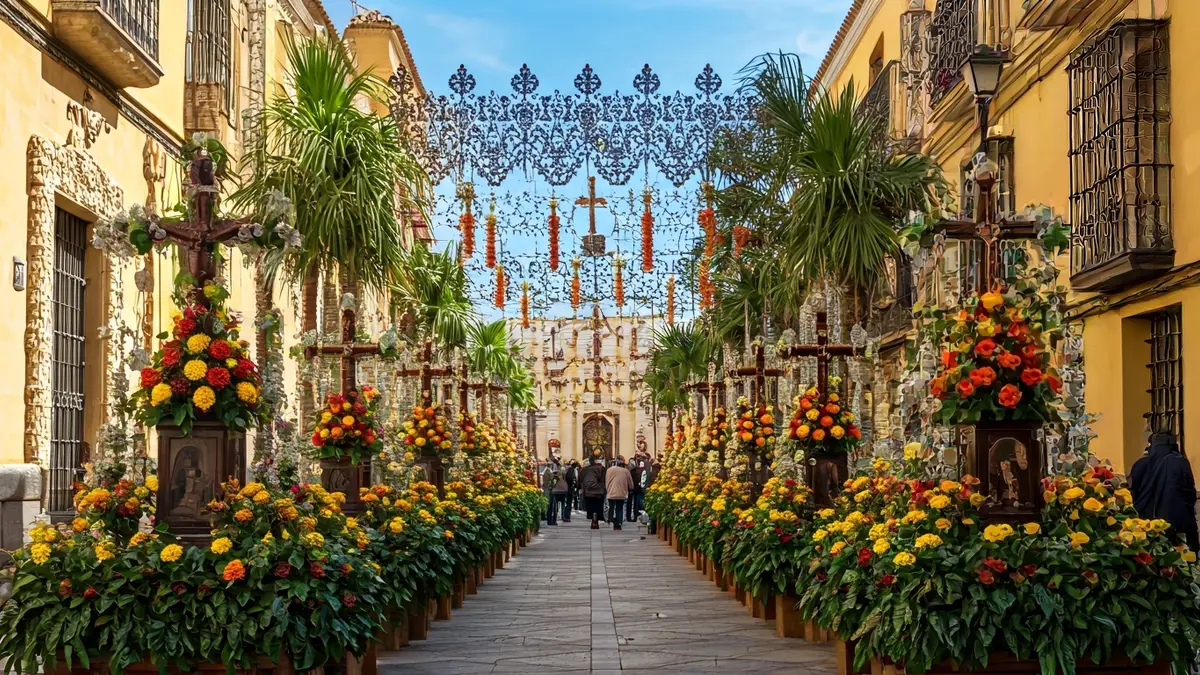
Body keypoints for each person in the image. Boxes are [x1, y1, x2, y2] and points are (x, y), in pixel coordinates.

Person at [1130, 431, 1199, 550]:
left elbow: (1134, 490)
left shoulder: (1142, 464)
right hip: (1179, 521)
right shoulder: (1180, 461)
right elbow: (1189, 491)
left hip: (1147, 522)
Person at [604, 457, 634, 531]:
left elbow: (606, 480)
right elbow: (630, 483)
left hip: (611, 492)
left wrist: (607, 489)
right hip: (621, 493)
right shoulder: (626, 471)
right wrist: (631, 488)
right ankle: (619, 523)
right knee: (619, 508)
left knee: (611, 507)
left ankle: (610, 521)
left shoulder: (609, 470)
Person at [579, 456, 607, 529]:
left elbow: (580, 479)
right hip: (600, 491)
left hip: (588, 492)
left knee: (590, 507)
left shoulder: (585, 469)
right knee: (598, 506)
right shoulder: (603, 469)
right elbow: (605, 480)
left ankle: (593, 520)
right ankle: (596, 520)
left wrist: (581, 488)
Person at [627, 454, 649, 522]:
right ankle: (637, 515)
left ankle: (630, 517)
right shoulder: (645, 470)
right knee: (638, 502)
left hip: (633, 488)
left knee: (631, 502)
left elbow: (630, 478)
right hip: (640, 488)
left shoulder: (633, 470)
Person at [541, 457, 562, 526]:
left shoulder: (547, 471)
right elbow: (554, 480)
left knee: (551, 506)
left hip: (549, 489)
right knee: (552, 506)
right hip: (550, 490)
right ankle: (551, 520)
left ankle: (551, 520)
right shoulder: (549, 472)